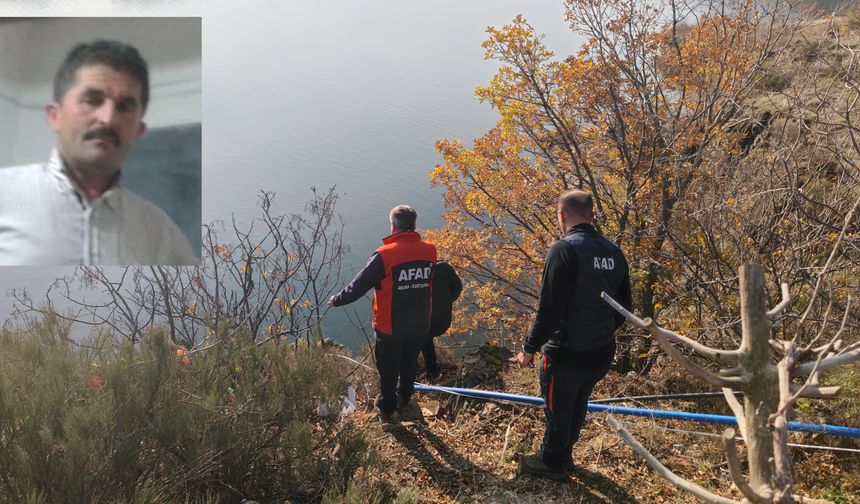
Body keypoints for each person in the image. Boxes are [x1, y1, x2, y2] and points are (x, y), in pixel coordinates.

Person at [0, 39, 197, 265]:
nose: (107, 118)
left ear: (138, 131)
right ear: (55, 116)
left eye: (124, 107)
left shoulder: (160, 233)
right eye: (91, 101)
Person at [516, 189, 632, 480]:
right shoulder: (614, 252)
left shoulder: (564, 249)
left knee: (558, 408)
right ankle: (566, 455)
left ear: (561, 216)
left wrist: (529, 348)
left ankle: (551, 461)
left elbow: (549, 310)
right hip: (601, 351)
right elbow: (624, 308)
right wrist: (601, 330)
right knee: (578, 402)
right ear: (592, 215)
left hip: (566, 354)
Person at [328, 205, 437, 422]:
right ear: (414, 226)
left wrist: (336, 300)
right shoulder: (430, 250)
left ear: (393, 226)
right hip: (419, 322)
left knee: (388, 368)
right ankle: (405, 398)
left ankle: (388, 406)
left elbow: (358, 286)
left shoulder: (384, 255)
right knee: (409, 363)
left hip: (390, 326)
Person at [420, 259, 462, 381]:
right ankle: (432, 373)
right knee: (425, 340)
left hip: (425, 321)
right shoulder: (444, 267)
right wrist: (446, 303)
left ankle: (406, 383)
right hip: (443, 320)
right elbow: (458, 288)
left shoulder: (416, 273)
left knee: (412, 347)